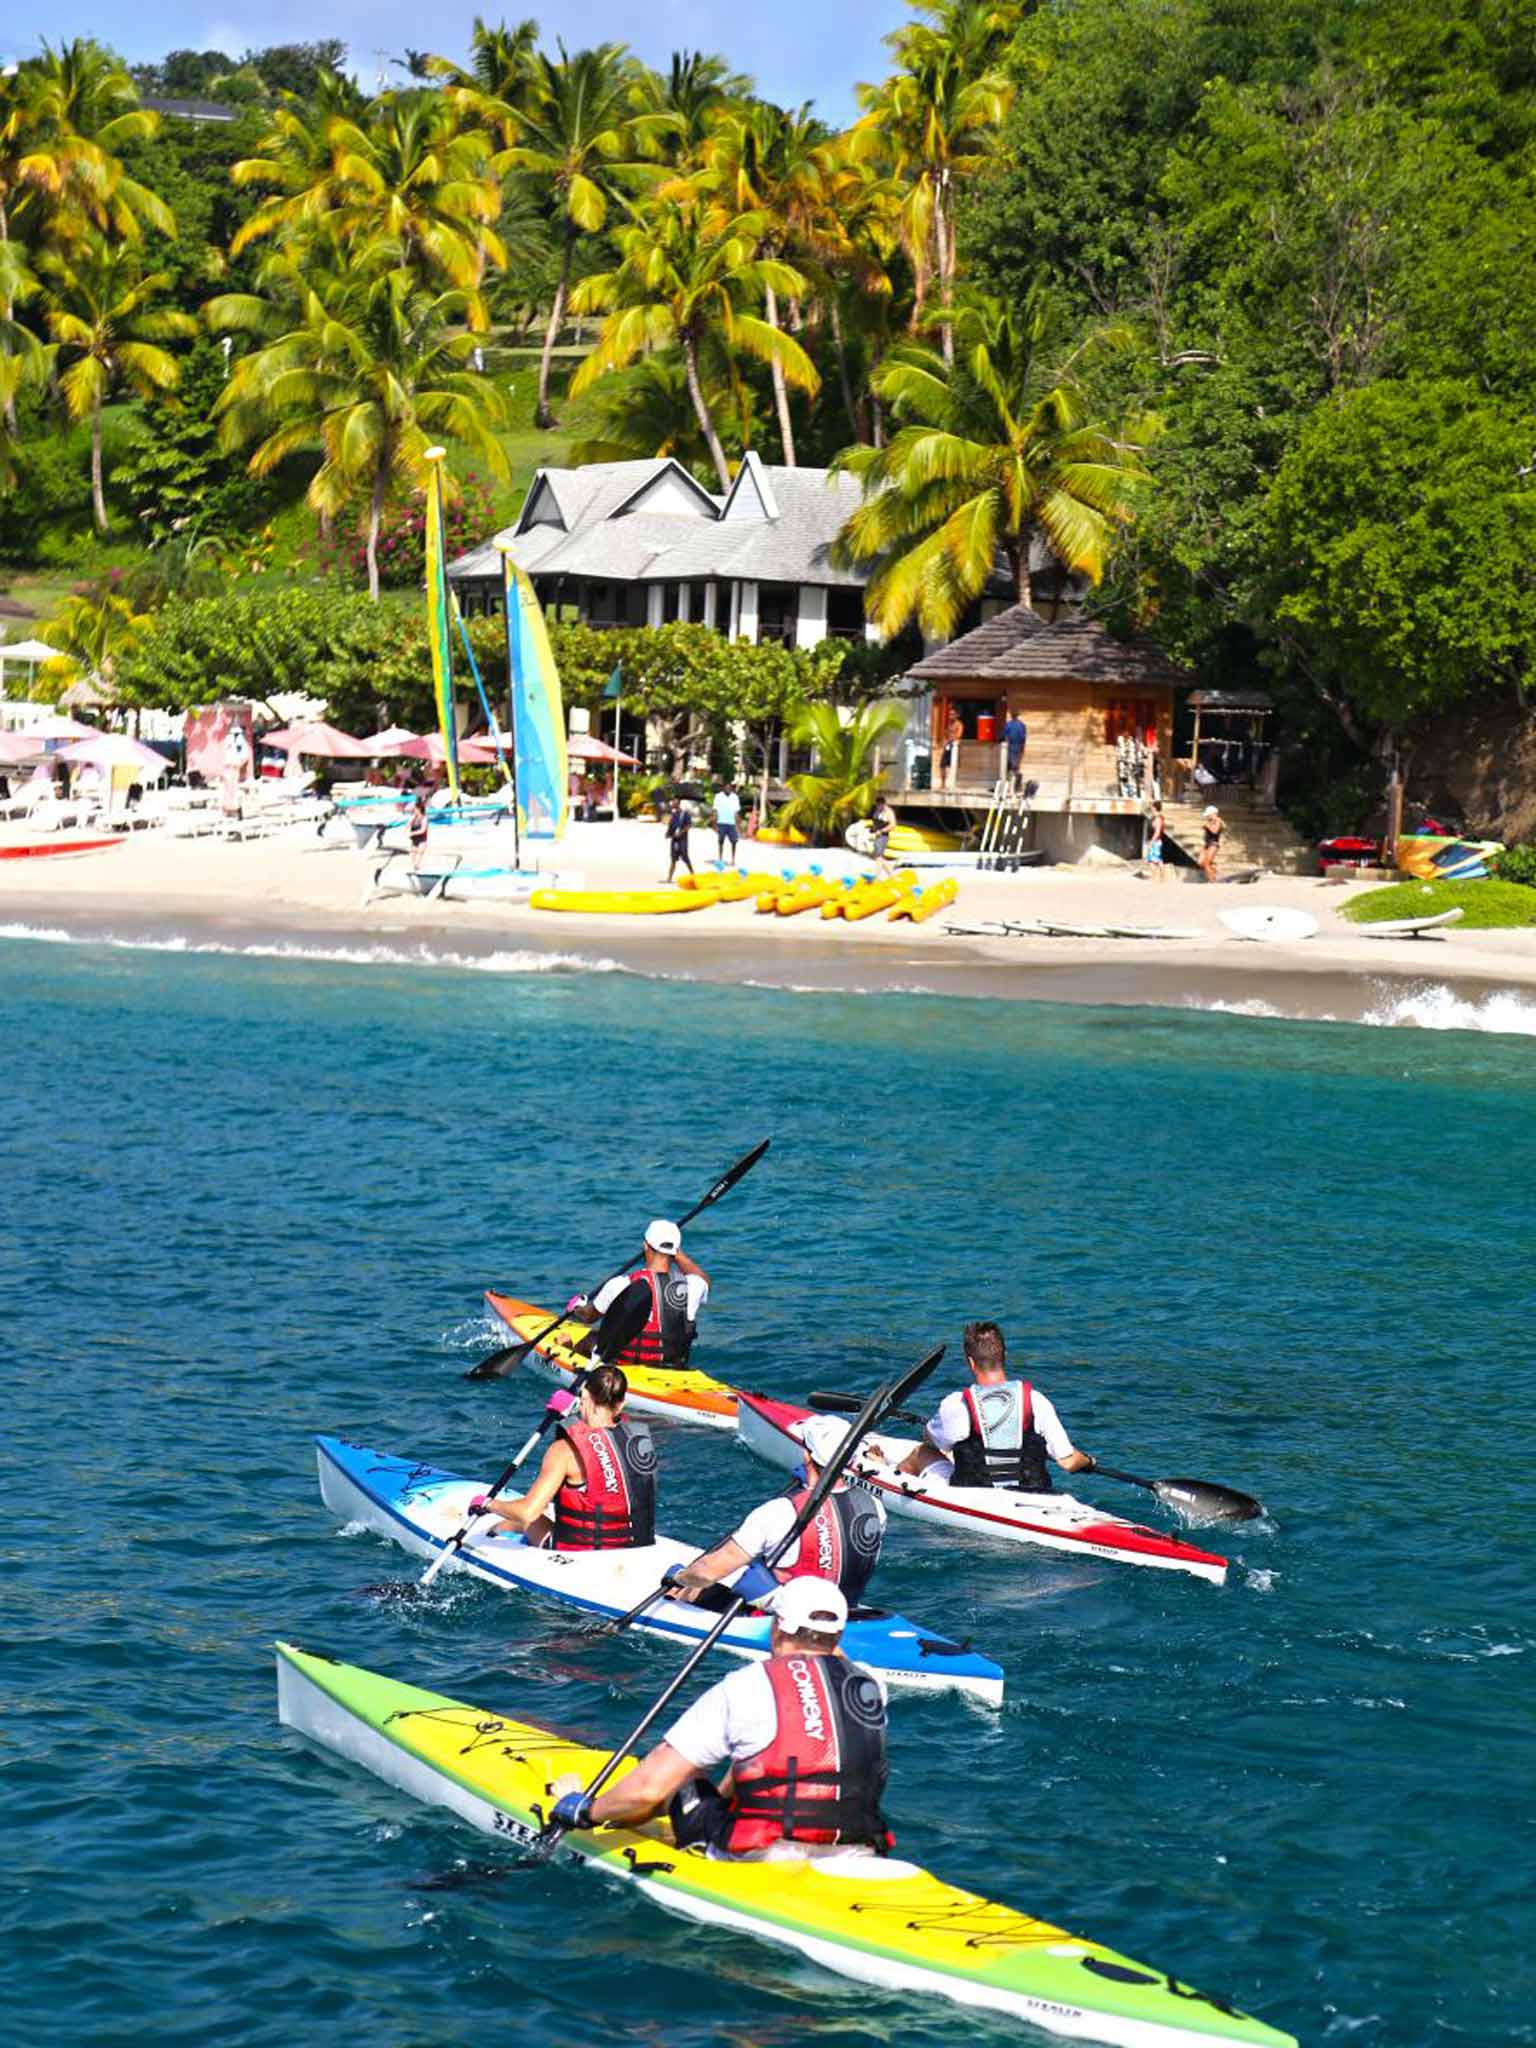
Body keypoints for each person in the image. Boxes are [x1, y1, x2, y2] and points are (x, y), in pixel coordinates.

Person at [548, 1575, 894, 1860]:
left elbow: (649, 1790)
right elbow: (833, 1662)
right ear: (839, 1637)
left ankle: (609, 1813)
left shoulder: (747, 1685)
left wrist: (584, 1811)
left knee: (683, 1783)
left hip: (760, 1859)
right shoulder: (871, 1684)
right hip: (856, 1852)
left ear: (777, 1628)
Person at [664, 1413, 886, 1611]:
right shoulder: (875, 1505)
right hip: (846, 1612)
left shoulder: (779, 1512)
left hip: (786, 1621)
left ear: (807, 1456)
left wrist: (680, 1577)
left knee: (689, 1589)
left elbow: (707, 1573)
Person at [880, 1319, 1095, 1493]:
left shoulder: (957, 1404)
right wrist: (1087, 1460)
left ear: (971, 1362)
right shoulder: (1037, 1401)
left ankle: (886, 1476)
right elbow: (1068, 1462)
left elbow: (930, 1441)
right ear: (1005, 1357)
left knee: (922, 1452)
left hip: (973, 1496)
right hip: (1035, 1494)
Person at [469, 1362, 656, 1550]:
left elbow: (527, 1512)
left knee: (525, 1521)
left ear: (583, 1396)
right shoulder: (639, 1442)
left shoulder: (564, 1450)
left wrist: (488, 1504)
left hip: (581, 1551)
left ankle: (492, 1531)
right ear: (622, 1403)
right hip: (632, 1545)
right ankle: (500, 1528)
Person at [569, 1220, 711, 1373]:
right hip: (674, 1368)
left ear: (645, 1246)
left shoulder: (620, 1284)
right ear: (676, 1251)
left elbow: (590, 1316)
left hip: (624, 1367)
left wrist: (577, 1308)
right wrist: (677, 1255)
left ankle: (567, 1350)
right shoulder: (692, 1286)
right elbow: (703, 1279)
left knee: (593, 1337)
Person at [664, 796, 694, 882]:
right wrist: (667, 833)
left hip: (682, 840)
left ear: (678, 803)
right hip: (674, 840)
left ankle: (693, 874)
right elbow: (671, 826)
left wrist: (680, 833)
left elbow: (688, 826)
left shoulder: (685, 814)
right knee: (673, 859)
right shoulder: (673, 815)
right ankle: (669, 878)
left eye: (674, 802)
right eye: (672, 802)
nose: (672, 803)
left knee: (685, 857)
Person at [712, 781, 741, 861]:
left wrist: (738, 826)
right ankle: (720, 858)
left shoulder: (735, 797)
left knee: (734, 841)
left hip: (732, 823)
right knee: (721, 841)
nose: (728, 789)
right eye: (726, 787)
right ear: (723, 788)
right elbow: (715, 811)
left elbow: (736, 812)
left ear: (731, 788)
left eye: (729, 788)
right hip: (721, 822)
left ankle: (733, 859)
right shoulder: (718, 796)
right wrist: (714, 825)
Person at [869, 793, 896, 878]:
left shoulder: (889, 812)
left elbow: (893, 825)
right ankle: (892, 875)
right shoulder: (877, 811)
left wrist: (881, 831)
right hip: (877, 836)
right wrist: (872, 829)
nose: (878, 806)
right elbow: (876, 822)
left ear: (883, 804)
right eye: (877, 805)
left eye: (879, 805)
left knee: (878, 856)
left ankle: (875, 876)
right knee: (879, 856)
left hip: (883, 836)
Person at [1002, 707, 1027, 792]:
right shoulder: (1022, 725)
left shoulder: (1008, 725)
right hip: (1018, 747)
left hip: (1011, 747)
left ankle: (1010, 787)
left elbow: (1005, 736)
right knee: (1015, 767)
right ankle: (1016, 787)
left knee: (1009, 767)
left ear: (1012, 716)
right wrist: (1023, 749)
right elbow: (1024, 739)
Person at [939, 711, 964, 792]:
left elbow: (958, 735)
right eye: (949, 714)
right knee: (942, 764)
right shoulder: (949, 724)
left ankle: (953, 784)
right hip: (948, 747)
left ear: (957, 715)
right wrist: (944, 741)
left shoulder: (959, 724)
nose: (951, 716)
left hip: (954, 747)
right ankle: (943, 784)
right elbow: (946, 734)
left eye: (953, 714)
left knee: (953, 766)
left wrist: (950, 739)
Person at [1142, 800, 1167, 881]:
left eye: (1152, 807)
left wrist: (1151, 842)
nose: (1151, 808)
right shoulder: (1156, 817)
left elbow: (1157, 831)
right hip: (1157, 841)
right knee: (1158, 860)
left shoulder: (1158, 818)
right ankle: (1160, 878)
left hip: (1156, 842)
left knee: (1152, 861)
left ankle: (1155, 878)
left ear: (1155, 808)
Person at [407, 788, 430, 870]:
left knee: (420, 851)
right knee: (413, 852)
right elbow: (408, 825)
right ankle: (414, 865)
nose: (414, 810)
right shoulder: (414, 816)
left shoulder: (424, 818)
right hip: (415, 836)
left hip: (421, 836)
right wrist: (408, 830)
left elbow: (423, 830)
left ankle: (417, 864)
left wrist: (412, 833)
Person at [1199, 804, 1222, 882]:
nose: (1207, 817)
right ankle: (1215, 870)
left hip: (1213, 844)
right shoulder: (1209, 821)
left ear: (1212, 814)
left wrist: (1207, 826)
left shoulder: (1218, 820)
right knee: (1201, 862)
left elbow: (1215, 831)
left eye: (1208, 815)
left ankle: (1212, 881)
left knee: (1206, 864)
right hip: (1206, 844)